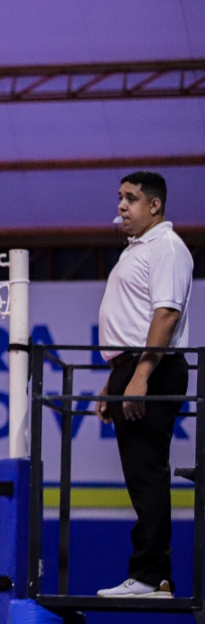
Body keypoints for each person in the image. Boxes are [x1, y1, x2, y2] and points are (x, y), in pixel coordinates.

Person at [94, 172, 193, 598]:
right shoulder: (138, 249)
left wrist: (139, 375)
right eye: (119, 197)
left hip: (151, 368)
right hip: (132, 367)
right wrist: (113, 381)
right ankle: (154, 575)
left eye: (131, 198)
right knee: (139, 476)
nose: (121, 206)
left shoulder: (166, 247)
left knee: (147, 474)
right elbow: (131, 321)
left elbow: (165, 314)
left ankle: (152, 577)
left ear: (154, 205)